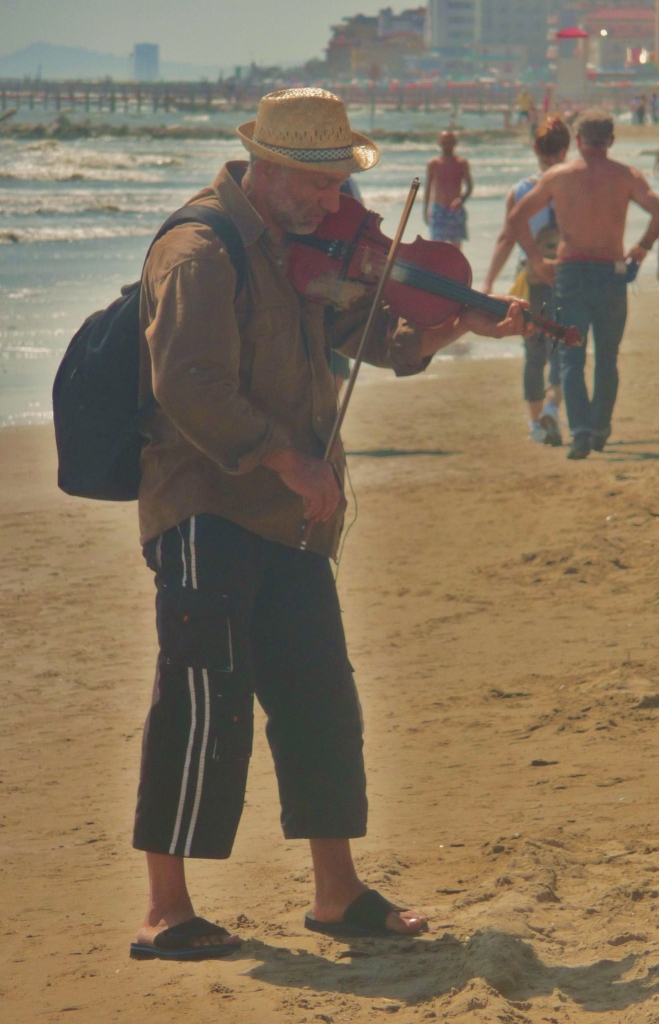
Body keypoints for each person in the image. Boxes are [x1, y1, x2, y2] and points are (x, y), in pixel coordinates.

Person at [130, 87, 529, 960]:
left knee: (320, 699)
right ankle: (166, 909)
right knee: (201, 703)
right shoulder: (200, 250)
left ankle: (335, 893)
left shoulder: (306, 246)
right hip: (207, 503)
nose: (337, 203)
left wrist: (453, 326)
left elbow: (378, 337)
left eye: (338, 183)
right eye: (319, 184)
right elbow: (190, 385)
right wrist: (286, 457)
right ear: (268, 171)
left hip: (294, 513)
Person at [507, 109, 659, 459]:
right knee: (608, 356)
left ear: (577, 140)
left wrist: (536, 260)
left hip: (571, 271)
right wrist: (642, 248)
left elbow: (517, 216)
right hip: (610, 272)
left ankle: (580, 432)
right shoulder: (626, 175)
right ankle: (600, 428)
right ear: (612, 141)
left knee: (572, 356)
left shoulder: (560, 176)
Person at [483, 116, 571, 447]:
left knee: (534, 354)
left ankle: (536, 425)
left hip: (533, 280)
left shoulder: (520, 191)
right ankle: (552, 405)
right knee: (565, 351)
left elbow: (506, 239)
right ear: (566, 149)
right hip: (568, 278)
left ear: (534, 147)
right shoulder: (574, 185)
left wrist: (488, 282)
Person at [423, 130, 473, 249]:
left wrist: (462, 199)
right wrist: (425, 211)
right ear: (439, 143)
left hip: (455, 210)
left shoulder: (461, 163)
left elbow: (470, 186)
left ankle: (455, 268)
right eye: (444, 142)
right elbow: (428, 189)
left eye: (450, 141)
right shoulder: (433, 164)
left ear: (455, 143)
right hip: (438, 210)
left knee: (456, 249)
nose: (447, 144)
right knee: (437, 247)